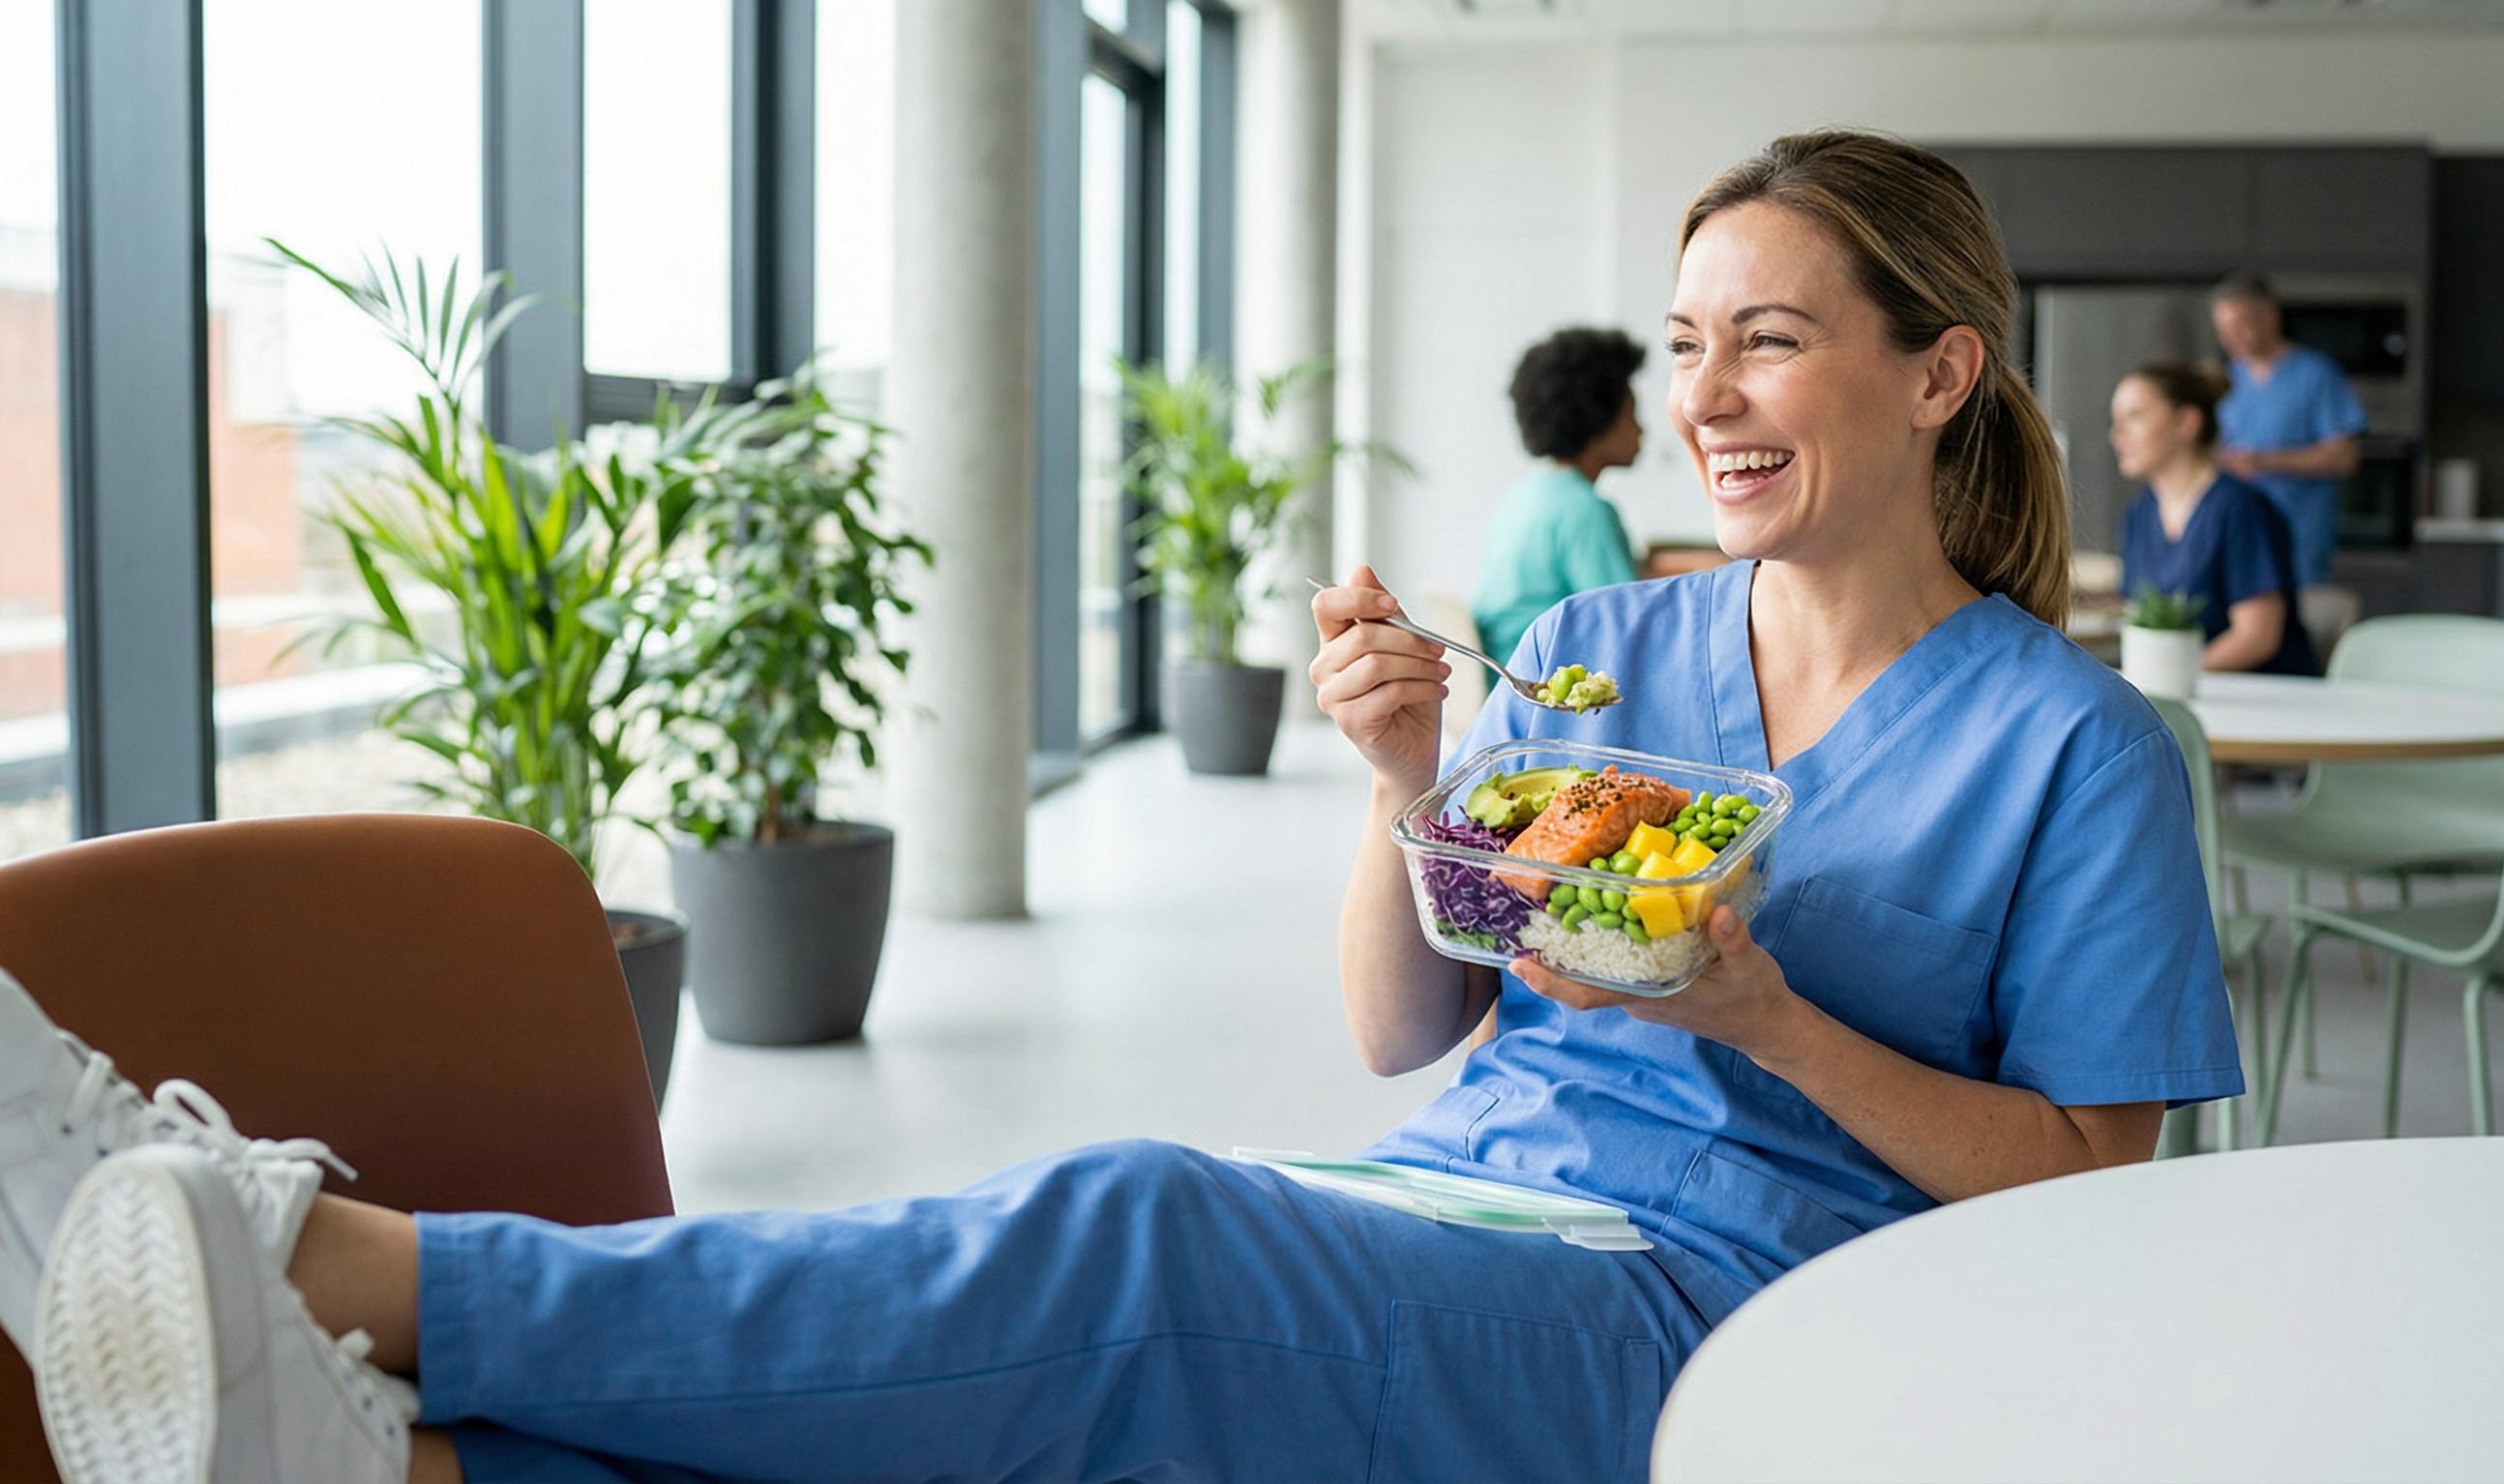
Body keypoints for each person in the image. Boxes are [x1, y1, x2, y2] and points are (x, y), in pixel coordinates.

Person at [0, 132, 2241, 1484]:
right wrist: (1402, 782)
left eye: (1768, 339)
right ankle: (393, 1461)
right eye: (1683, 343)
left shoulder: (2077, 753)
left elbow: (2083, 1182)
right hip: (1460, 1188)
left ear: (1936, 368)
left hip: (1725, 1296)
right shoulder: (1601, 648)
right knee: (1006, 1394)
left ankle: (347, 1265)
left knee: (1138, 1230)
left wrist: (1763, 1023)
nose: (1706, 398)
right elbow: (1403, 1034)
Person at [2112, 362, 2318, 675]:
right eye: (2116, 420)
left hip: (2262, 702)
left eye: (2135, 417)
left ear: (2186, 422)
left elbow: (2257, 637)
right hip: (2182, 696)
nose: (2117, 434)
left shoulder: (2241, 509)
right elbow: (2138, 619)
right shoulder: (2139, 513)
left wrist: (2170, 677)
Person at [1469, 327, 1645, 665]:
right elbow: (1627, 623)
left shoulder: (1527, 495)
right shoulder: (1586, 511)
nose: (1641, 429)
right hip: (1538, 684)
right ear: (1599, 418)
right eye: (1631, 413)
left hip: (1499, 674)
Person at [2208, 273, 2369, 588]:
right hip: (2241, 534)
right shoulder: (2228, 379)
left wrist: (2262, 462)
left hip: (2299, 536)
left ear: (2269, 315)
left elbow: (2344, 458)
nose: (2230, 338)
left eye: (2239, 325)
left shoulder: (2317, 375)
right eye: (2223, 330)